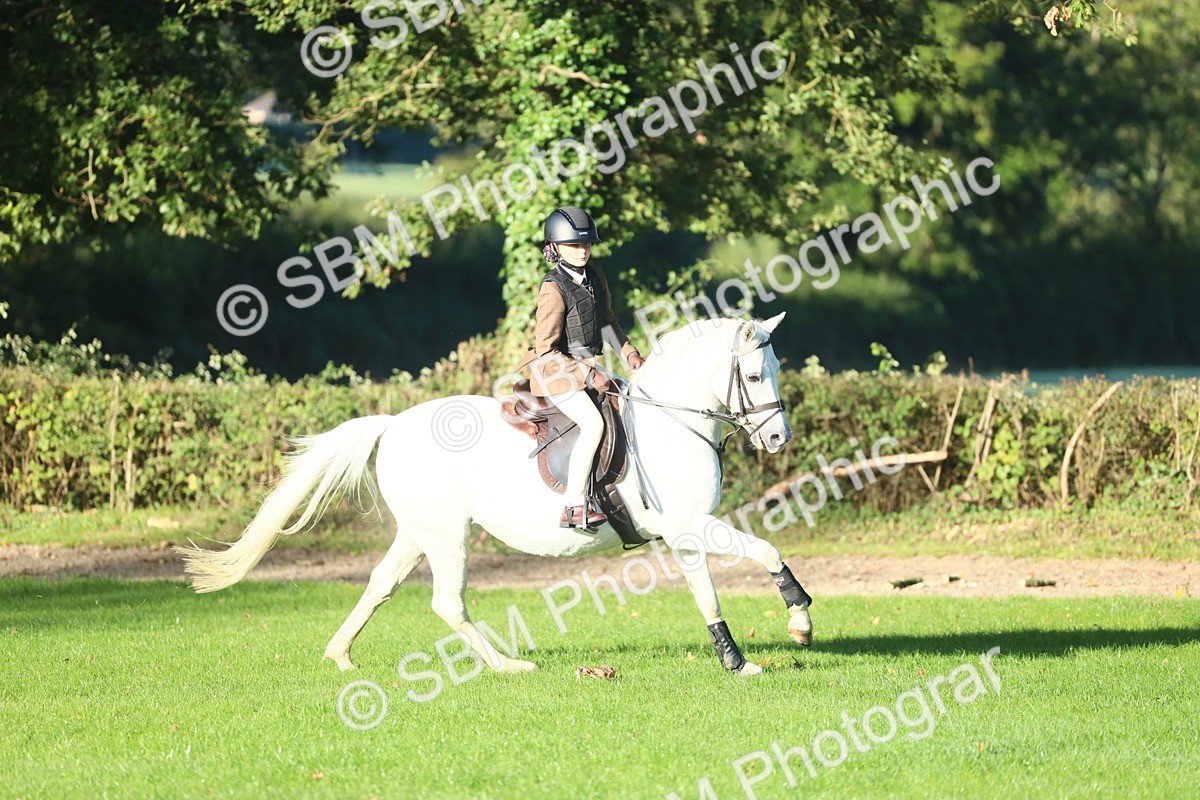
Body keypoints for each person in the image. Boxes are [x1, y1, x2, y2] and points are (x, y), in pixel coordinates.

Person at [516, 206, 645, 529]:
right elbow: (546, 350)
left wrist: (630, 354)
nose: (582, 250)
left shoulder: (596, 277)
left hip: (586, 368)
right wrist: (588, 374)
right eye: (574, 245)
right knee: (593, 424)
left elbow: (609, 324)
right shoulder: (553, 287)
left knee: (633, 400)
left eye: (586, 245)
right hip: (555, 374)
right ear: (555, 248)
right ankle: (573, 506)